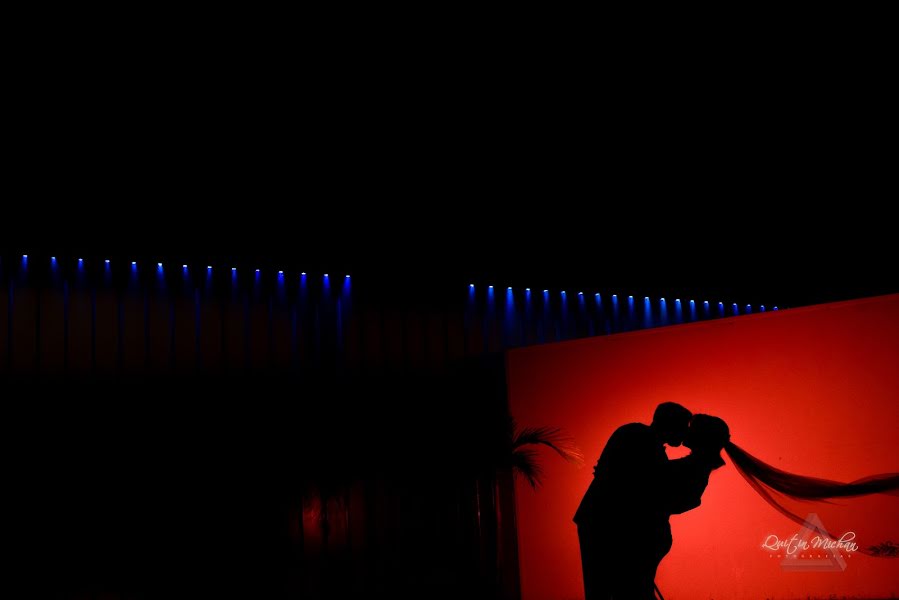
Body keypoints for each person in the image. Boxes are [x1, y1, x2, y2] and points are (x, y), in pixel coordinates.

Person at [573, 402, 692, 600]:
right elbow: (645, 486)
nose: (684, 433)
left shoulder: (638, 437)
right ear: (671, 425)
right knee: (608, 587)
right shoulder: (640, 439)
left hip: (601, 520)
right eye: (682, 427)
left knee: (606, 587)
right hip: (606, 523)